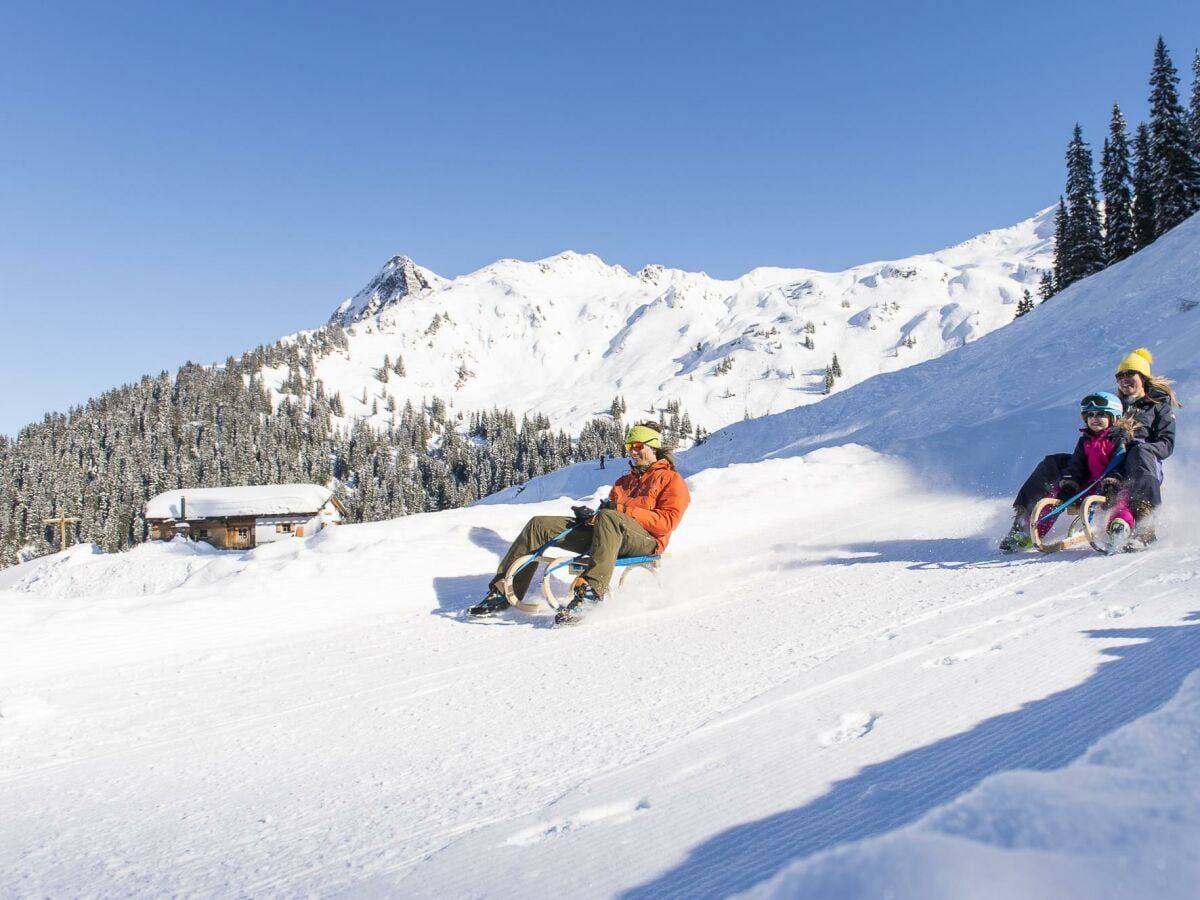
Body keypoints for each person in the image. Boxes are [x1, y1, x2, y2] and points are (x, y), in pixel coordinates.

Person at [469, 421, 690, 624]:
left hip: (645, 541)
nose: (632, 451)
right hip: (609, 534)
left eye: (638, 445)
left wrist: (619, 511)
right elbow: (608, 515)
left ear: (654, 448)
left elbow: (666, 522)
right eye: (629, 446)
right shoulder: (624, 481)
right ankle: (503, 592)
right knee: (539, 525)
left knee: (609, 516)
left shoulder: (671, 480)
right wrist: (590, 517)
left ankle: (593, 592)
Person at [1000, 347, 1180, 552]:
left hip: (1139, 465)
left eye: (1130, 373)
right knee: (1054, 462)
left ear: (1143, 377)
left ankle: (1144, 530)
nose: (1124, 379)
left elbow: (1166, 444)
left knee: (1139, 453)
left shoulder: (1158, 407)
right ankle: (1023, 525)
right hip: (1103, 462)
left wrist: (1134, 443)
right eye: (1120, 375)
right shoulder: (1112, 404)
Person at [1041, 391, 1135, 545]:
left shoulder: (1121, 440)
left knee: (1122, 500)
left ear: (1115, 418)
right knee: (1055, 493)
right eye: (1090, 415)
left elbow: (1122, 465)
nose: (1094, 419)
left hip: (1117, 485)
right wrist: (1069, 485)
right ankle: (1037, 528)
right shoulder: (1085, 440)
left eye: (1100, 414)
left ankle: (1119, 528)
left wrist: (1112, 484)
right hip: (1092, 486)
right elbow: (1076, 465)